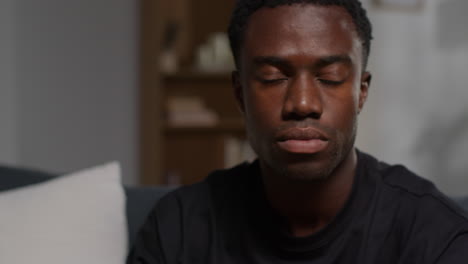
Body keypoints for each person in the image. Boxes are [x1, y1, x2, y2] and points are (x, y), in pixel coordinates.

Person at [128, 0, 468, 263]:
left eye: (331, 75)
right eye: (274, 77)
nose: (303, 102)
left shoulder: (432, 235)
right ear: (239, 93)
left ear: (361, 92)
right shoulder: (177, 231)